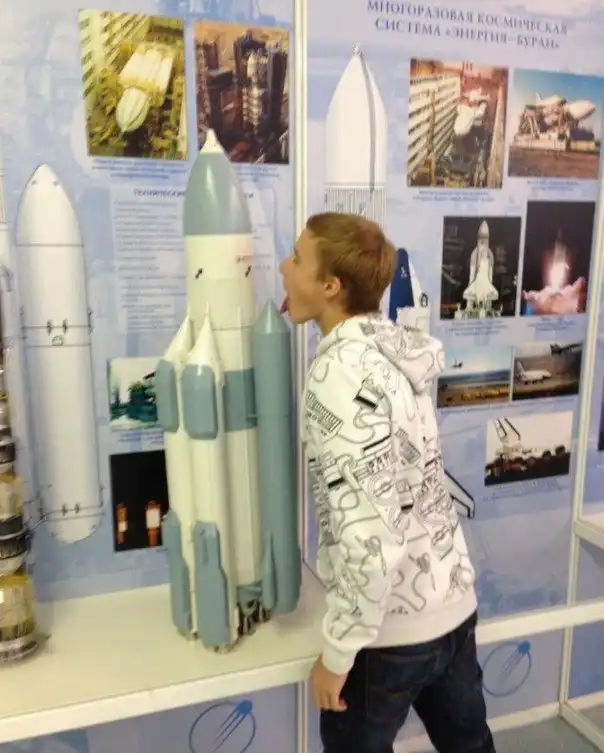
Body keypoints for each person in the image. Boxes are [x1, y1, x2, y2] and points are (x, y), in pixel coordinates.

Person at [279, 212, 495, 753]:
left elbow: (368, 531)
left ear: (331, 286)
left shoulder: (338, 375)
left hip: (389, 638)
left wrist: (338, 655)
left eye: (297, 259)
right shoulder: (396, 352)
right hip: (451, 610)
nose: (284, 267)